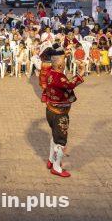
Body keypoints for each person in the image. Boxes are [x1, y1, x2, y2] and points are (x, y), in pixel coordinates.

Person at [44, 48, 84, 178]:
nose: (65, 63)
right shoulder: (59, 77)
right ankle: (56, 167)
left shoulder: (50, 72)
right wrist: (80, 73)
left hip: (50, 110)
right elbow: (69, 84)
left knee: (55, 136)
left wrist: (63, 55)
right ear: (60, 65)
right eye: (64, 61)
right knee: (61, 141)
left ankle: (51, 160)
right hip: (59, 114)